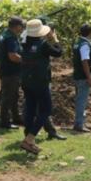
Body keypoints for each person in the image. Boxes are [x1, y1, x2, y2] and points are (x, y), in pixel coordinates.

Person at [20, 19, 63, 154]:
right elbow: (58, 53)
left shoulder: (23, 43)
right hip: (40, 81)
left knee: (30, 109)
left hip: (26, 80)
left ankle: (28, 138)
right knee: (46, 109)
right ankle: (30, 138)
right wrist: (55, 40)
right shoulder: (43, 44)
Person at [0, 17, 26, 129]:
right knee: (8, 96)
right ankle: (5, 121)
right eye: (21, 26)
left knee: (13, 95)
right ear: (17, 26)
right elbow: (12, 56)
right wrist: (26, 61)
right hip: (11, 72)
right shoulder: (10, 38)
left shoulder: (5, 34)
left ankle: (16, 118)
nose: (22, 28)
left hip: (7, 70)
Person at [72, 23, 91, 133]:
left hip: (77, 75)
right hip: (82, 77)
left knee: (81, 99)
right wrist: (89, 77)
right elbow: (84, 61)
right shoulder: (85, 44)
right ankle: (79, 124)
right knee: (82, 100)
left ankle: (81, 122)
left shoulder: (77, 42)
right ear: (90, 32)